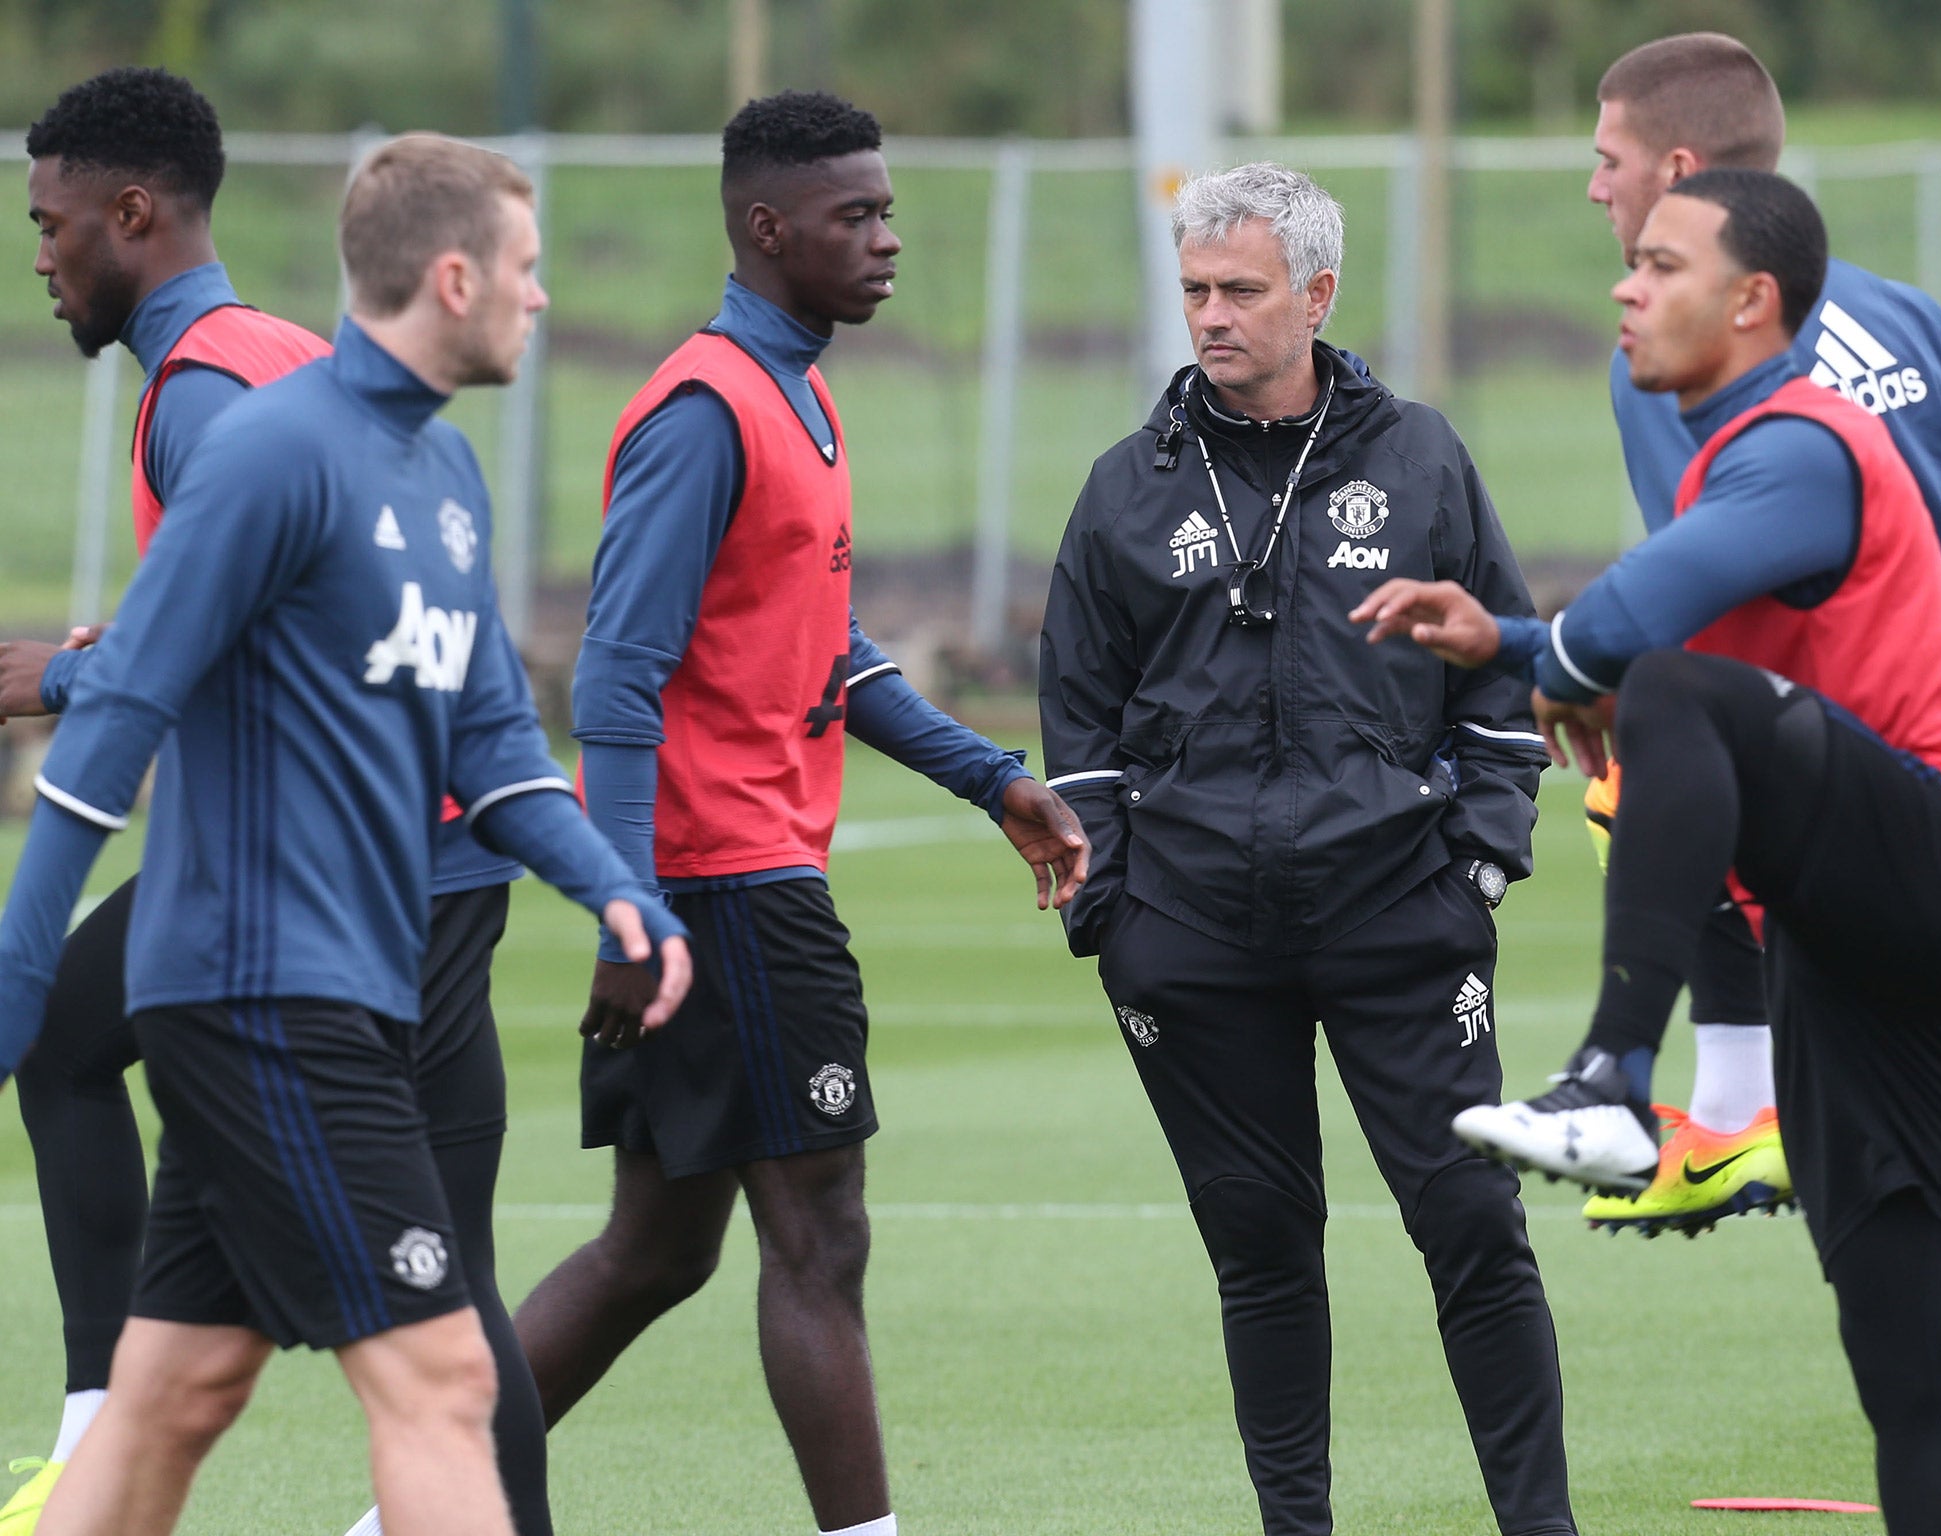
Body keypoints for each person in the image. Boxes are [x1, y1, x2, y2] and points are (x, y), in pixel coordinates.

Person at [0, 131, 692, 1536]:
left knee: (169, 1400)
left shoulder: (438, 481)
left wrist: (618, 893)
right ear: (452, 279)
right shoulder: (269, 449)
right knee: (440, 1379)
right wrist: (24, 973)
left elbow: (493, 750)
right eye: (526, 269)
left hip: (342, 986)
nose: (543, 298)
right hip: (265, 996)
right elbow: (118, 716)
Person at [1359, 169, 1941, 1536]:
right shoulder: (1741, 449)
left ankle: (1613, 1077)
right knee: (1911, 1357)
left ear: (1752, 301)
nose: (1625, 281)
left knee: (1671, 683)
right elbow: (1616, 641)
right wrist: (1512, 647)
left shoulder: (1801, 437)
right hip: (1853, 934)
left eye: (1661, 263)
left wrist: (1544, 652)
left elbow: (1639, 622)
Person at [508, 91, 1086, 1536]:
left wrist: (990, 777)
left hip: (721, 878)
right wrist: (629, 909)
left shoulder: (797, 392)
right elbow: (619, 682)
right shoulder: (705, 410)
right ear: (768, 230)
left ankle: (412, 1508)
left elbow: (820, 648)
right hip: (728, 887)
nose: (888, 240)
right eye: (857, 218)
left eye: (889, 211)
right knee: (819, 1239)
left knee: (653, 1254)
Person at [1039, 162, 1573, 1536]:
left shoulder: (1422, 460)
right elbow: (1079, 722)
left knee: (1472, 1230)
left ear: (1319, 295)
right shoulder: (1124, 491)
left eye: (1241, 291)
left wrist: (1483, 861)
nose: (1209, 317)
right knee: (1263, 1253)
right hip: (1194, 935)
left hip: (1403, 914)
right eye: (1195, 291)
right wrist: (1119, 914)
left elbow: (1500, 676)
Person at [1573, 31, 1941, 1235]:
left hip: (1863, 783)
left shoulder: (1693, 353)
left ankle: (1730, 1111)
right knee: (1902, 1199)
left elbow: (1697, 608)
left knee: (1660, 756)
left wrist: (1557, 669)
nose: (1594, 188)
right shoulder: (1904, 318)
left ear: (1675, 170)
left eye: (1606, 158)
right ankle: (1741, 1114)